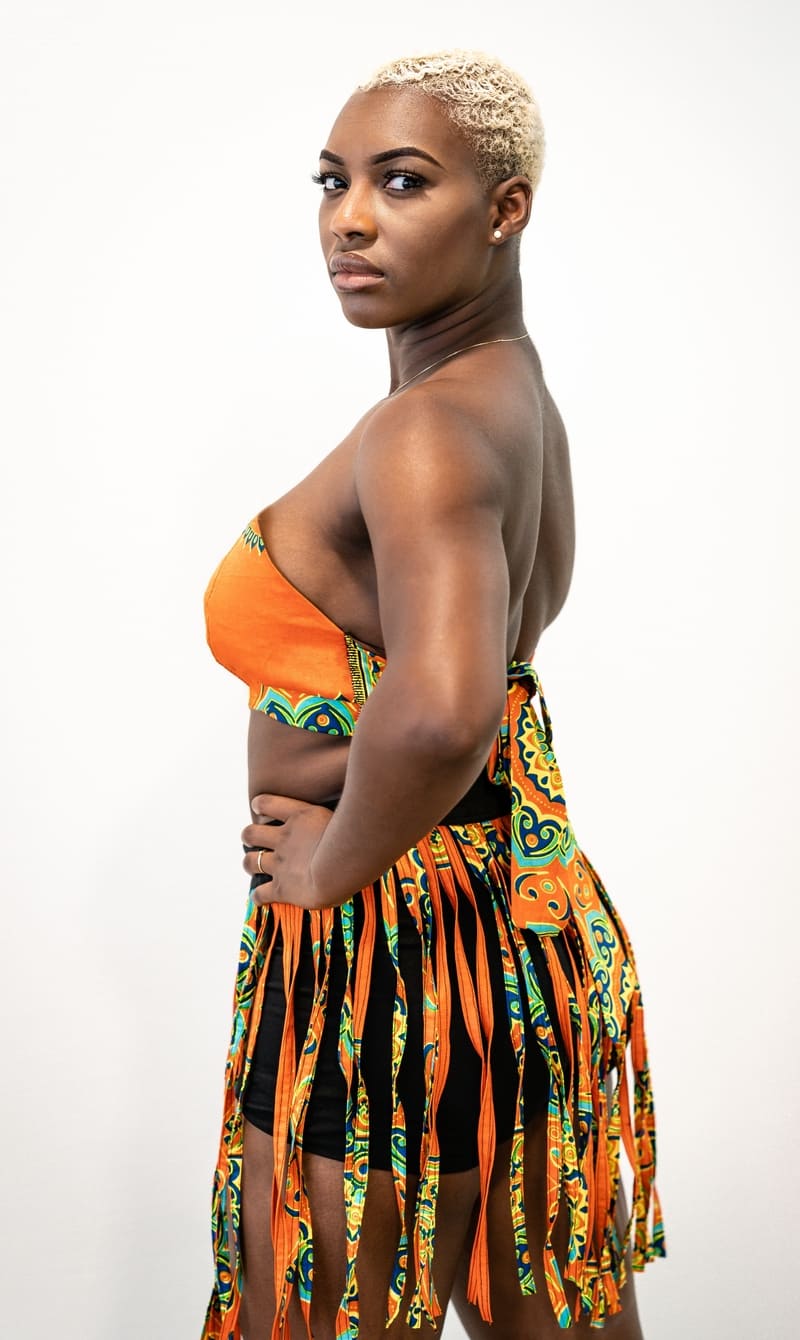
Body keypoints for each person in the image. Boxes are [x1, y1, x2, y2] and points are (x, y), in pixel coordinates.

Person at [201, 48, 665, 1340]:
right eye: (333, 181)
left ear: (506, 208)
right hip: (517, 937)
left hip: (392, 964)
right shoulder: (512, 397)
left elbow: (449, 707)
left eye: (402, 182)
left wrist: (329, 864)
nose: (350, 218)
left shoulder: (422, 431)